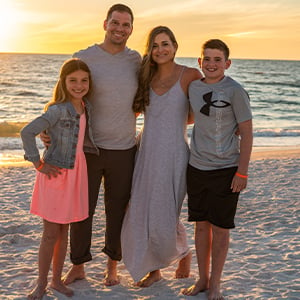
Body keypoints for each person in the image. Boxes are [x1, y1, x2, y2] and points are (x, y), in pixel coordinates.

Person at [57, 4, 141, 286]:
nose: (120, 29)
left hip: (124, 148)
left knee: (117, 210)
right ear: (105, 24)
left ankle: (112, 267)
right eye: (115, 23)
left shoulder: (136, 60)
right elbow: (64, 96)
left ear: (131, 28)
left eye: (126, 25)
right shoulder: (84, 57)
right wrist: (52, 130)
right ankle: (79, 266)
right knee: (82, 210)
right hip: (88, 149)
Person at [121, 26, 202, 287]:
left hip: (175, 153)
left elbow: (196, 114)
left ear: (175, 46)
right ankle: (155, 269)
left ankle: (183, 253)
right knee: (143, 210)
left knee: (167, 211)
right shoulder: (146, 76)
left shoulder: (190, 75)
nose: (160, 50)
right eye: (155, 46)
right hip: (145, 152)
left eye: (165, 44)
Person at [181, 39, 253, 299]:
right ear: (199, 62)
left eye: (217, 59)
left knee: (221, 229)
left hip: (226, 169)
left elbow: (246, 130)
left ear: (227, 63)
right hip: (197, 166)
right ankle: (202, 279)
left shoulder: (235, 90)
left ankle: (217, 285)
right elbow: (188, 115)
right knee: (201, 226)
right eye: (207, 59)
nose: (211, 64)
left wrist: (242, 172)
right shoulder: (194, 87)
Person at [21, 58, 96, 299]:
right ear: (63, 82)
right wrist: (37, 163)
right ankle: (41, 283)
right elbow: (27, 132)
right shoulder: (56, 109)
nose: (79, 85)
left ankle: (55, 280)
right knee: (50, 234)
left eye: (84, 80)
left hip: (76, 173)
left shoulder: (86, 106)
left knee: (64, 232)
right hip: (55, 174)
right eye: (73, 80)